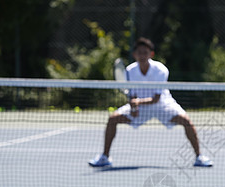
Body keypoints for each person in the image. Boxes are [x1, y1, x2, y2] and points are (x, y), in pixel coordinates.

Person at [89, 37, 213, 168]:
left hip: (163, 105)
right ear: (134, 54)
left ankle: (199, 156)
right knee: (112, 119)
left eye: (145, 52)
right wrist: (133, 108)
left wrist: (138, 103)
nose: (142, 55)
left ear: (151, 54)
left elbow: (156, 99)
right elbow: (132, 96)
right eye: (139, 52)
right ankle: (105, 157)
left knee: (186, 121)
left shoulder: (161, 70)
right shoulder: (130, 71)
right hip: (141, 108)